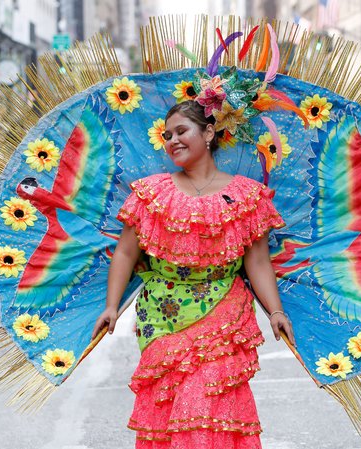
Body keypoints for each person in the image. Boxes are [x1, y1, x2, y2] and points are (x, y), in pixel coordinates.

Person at [91, 100, 294, 448]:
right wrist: (111, 306)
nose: (172, 141)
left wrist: (276, 311)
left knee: (205, 408)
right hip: (163, 318)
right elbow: (126, 252)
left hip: (224, 317)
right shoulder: (151, 193)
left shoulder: (246, 196)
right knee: (169, 414)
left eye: (181, 131)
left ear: (209, 132)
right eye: (167, 135)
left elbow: (257, 262)